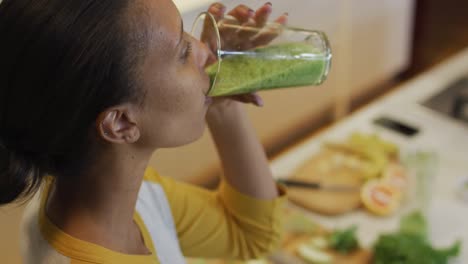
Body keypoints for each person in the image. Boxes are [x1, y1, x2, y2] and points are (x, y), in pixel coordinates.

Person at [0, 0, 288, 263]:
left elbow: (248, 236)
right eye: (183, 52)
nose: (205, 51)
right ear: (121, 123)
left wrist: (222, 100)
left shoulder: (99, 192)